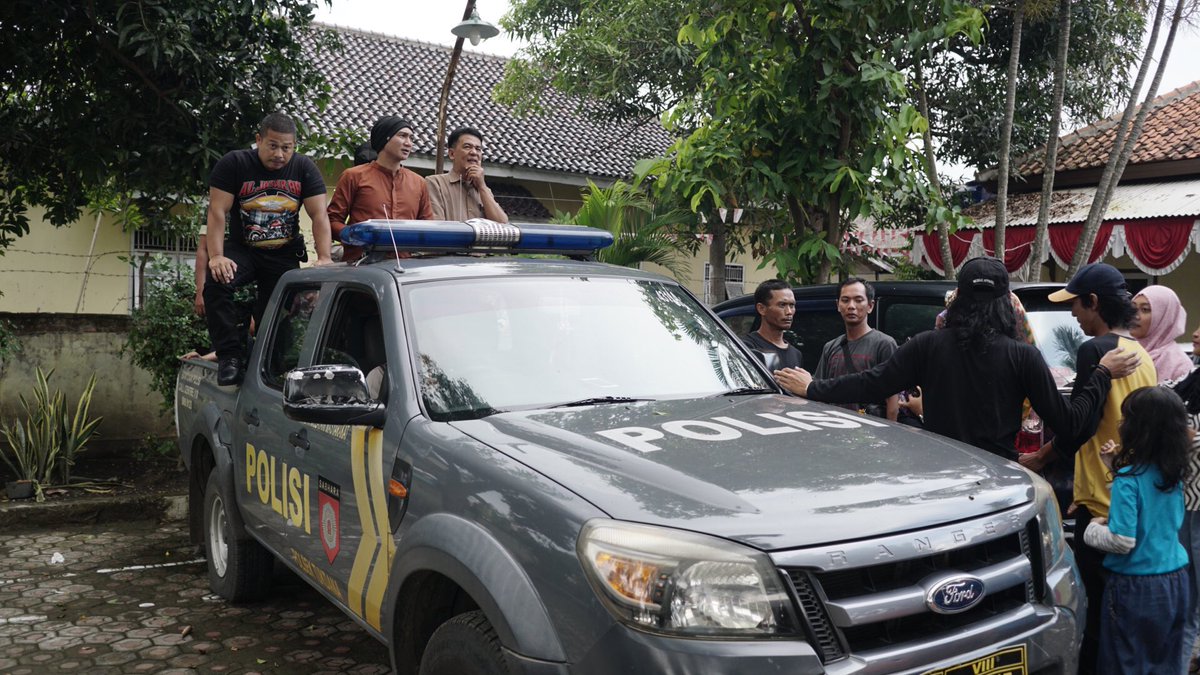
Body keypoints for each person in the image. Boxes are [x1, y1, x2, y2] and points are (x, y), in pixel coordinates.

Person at [774, 257, 1142, 462]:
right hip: (1000, 476)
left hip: (943, 472)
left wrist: (813, 388)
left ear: (959, 298)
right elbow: (1071, 423)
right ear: (1006, 303)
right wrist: (1101, 374)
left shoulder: (927, 345)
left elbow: (872, 383)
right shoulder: (1023, 356)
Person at [1019, 263, 1157, 675]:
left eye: (1076, 305)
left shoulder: (1096, 352)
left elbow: (1078, 425)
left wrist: (1041, 459)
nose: (1073, 314)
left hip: (1102, 504)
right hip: (1130, 495)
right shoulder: (1141, 353)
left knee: (1095, 618)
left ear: (1093, 302)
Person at [204, 112, 333, 386]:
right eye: (273, 146)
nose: (279, 154)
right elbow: (217, 211)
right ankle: (230, 356)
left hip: (283, 253)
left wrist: (324, 258)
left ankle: (271, 367)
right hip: (243, 249)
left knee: (277, 313)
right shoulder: (235, 163)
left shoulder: (304, 168)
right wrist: (216, 256)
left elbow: (319, 215)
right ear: (259, 140)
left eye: (286, 147)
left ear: (294, 146)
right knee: (216, 282)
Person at [1083, 386, 1191, 675]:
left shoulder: (1128, 480)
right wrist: (1116, 468)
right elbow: (1151, 511)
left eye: (1126, 418)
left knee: (1125, 663)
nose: (1121, 424)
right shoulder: (1173, 473)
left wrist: (1092, 530)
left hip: (1135, 586)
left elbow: (1123, 540)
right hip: (1175, 581)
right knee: (1166, 662)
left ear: (1139, 429)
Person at [327, 116, 433, 262]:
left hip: (405, 266)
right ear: (384, 139)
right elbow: (331, 220)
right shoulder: (354, 176)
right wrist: (352, 235)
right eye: (402, 136)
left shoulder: (419, 183)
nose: (408, 143)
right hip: (361, 264)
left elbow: (428, 228)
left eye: (411, 138)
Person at [813, 278, 898, 420]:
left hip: (871, 428)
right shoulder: (830, 347)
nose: (851, 306)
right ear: (838, 305)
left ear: (870, 306)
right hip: (834, 425)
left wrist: (891, 430)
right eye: (845, 300)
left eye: (858, 300)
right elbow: (819, 392)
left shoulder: (884, 344)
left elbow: (892, 400)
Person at [425, 127, 509, 223]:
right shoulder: (435, 183)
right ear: (452, 154)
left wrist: (482, 187)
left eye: (478, 149)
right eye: (467, 147)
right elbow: (437, 226)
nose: (474, 153)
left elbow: (503, 225)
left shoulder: (484, 190)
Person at [1131, 284, 1192, 382]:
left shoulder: (1179, 365)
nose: (1134, 316)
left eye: (1145, 309)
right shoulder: (1121, 350)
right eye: (1133, 308)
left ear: (1165, 317)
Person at [741, 280, 802, 371]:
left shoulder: (796, 354)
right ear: (761, 309)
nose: (789, 312)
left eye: (792, 305)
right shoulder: (746, 347)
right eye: (782, 305)